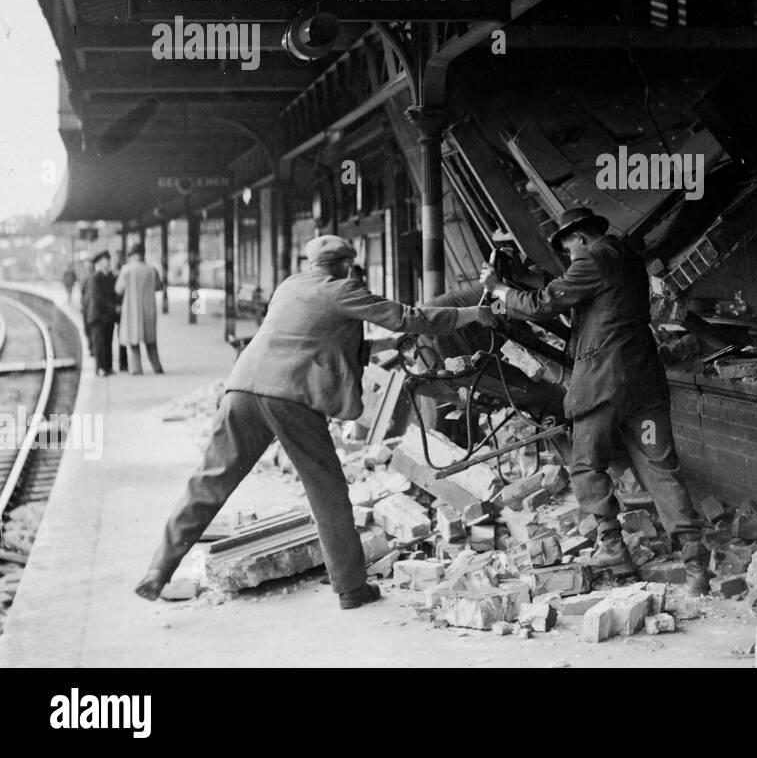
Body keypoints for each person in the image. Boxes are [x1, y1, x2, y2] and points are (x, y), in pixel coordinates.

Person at [134, 235, 500, 609]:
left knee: (209, 482)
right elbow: (411, 318)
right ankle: (351, 588)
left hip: (242, 389)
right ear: (345, 265)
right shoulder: (343, 289)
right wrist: (474, 313)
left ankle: (157, 571)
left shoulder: (289, 287)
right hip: (290, 397)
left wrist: (387, 347)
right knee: (327, 492)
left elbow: (313, 338)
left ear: (310, 263)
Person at [480, 207, 711, 595]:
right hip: (644, 383)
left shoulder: (592, 256)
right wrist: (524, 279)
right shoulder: (625, 260)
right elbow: (577, 293)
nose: (571, 258)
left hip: (604, 384)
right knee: (660, 466)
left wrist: (501, 289)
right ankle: (696, 566)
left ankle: (614, 549)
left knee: (586, 464)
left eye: (569, 251)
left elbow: (545, 303)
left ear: (581, 239)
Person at [115, 243, 164, 375]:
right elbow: (159, 287)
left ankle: (136, 369)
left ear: (131, 256)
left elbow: (118, 290)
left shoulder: (126, 270)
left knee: (133, 342)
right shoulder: (152, 270)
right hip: (149, 310)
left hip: (132, 312)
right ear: (143, 255)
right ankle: (157, 368)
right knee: (151, 342)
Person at [81, 251, 119, 377]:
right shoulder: (95, 277)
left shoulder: (111, 277)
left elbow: (114, 294)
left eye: (108, 260)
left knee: (108, 341)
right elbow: (98, 297)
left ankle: (108, 367)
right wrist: (114, 307)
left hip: (108, 316)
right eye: (105, 261)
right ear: (99, 263)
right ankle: (100, 368)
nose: (108, 262)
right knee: (99, 343)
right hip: (97, 316)